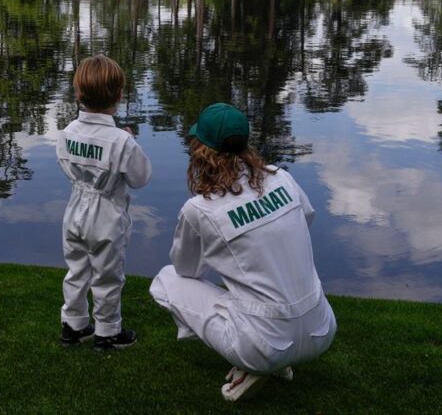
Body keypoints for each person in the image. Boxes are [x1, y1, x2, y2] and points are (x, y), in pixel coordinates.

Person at [149, 103, 336, 402]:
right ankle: (273, 356)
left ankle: (255, 363)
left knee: (166, 280)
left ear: (200, 150)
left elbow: (187, 271)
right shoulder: (281, 177)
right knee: (258, 282)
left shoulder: (200, 209)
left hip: (263, 343)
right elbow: (307, 218)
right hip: (322, 328)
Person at [56, 55, 152, 350]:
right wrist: (131, 142)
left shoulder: (67, 132)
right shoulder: (121, 141)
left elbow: (65, 163)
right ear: (119, 95)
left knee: (77, 269)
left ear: (79, 93)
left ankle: (73, 325)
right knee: (108, 274)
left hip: (75, 209)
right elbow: (140, 177)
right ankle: (107, 331)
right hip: (107, 213)